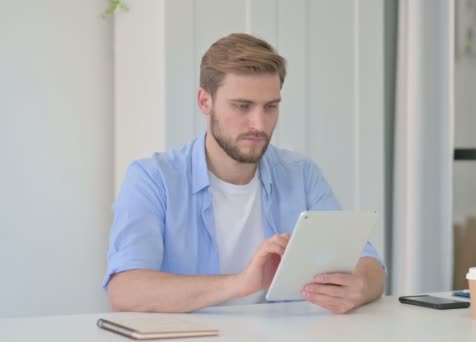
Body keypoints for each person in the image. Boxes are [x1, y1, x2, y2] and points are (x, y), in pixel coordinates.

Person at [104, 33, 385, 314]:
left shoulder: (301, 175)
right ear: (205, 101)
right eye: (242, 106)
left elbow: (370, 265)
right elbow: (126, 290)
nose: (259, 124)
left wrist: (359, 285)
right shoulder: (154, 179)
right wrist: (240, 284)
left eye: (271, 107)